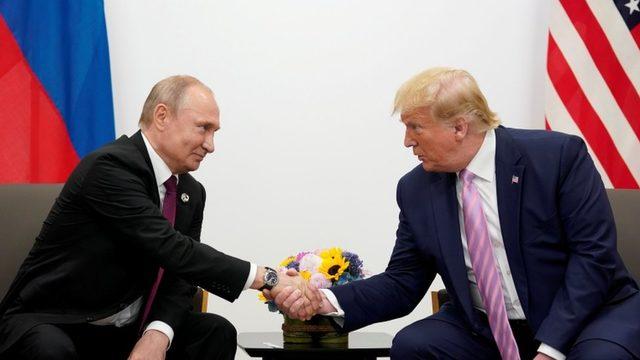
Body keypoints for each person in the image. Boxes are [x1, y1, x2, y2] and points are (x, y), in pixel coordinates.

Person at [271, 67, 640, 359]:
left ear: (459, 127)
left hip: (587, 318)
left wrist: (550, 348)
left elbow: (593, 258)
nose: (407, 141)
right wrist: (326, 300)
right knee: (415, 346)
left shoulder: (557, 158)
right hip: (489, 329)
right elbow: (403, 281)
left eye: (415, 127)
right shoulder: (416, 189)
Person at [0, 75, 320, 360]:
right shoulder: (109, 168)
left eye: (214, 132)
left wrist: (158, 334)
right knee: (51, 349)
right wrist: (268, 278)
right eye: (203, 128)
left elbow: (180, 275)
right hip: (58, 321)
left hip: (126, 329)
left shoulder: (190, 192)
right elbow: (171, 248)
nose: (211, 145)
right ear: (162, 116)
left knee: (214, 331)